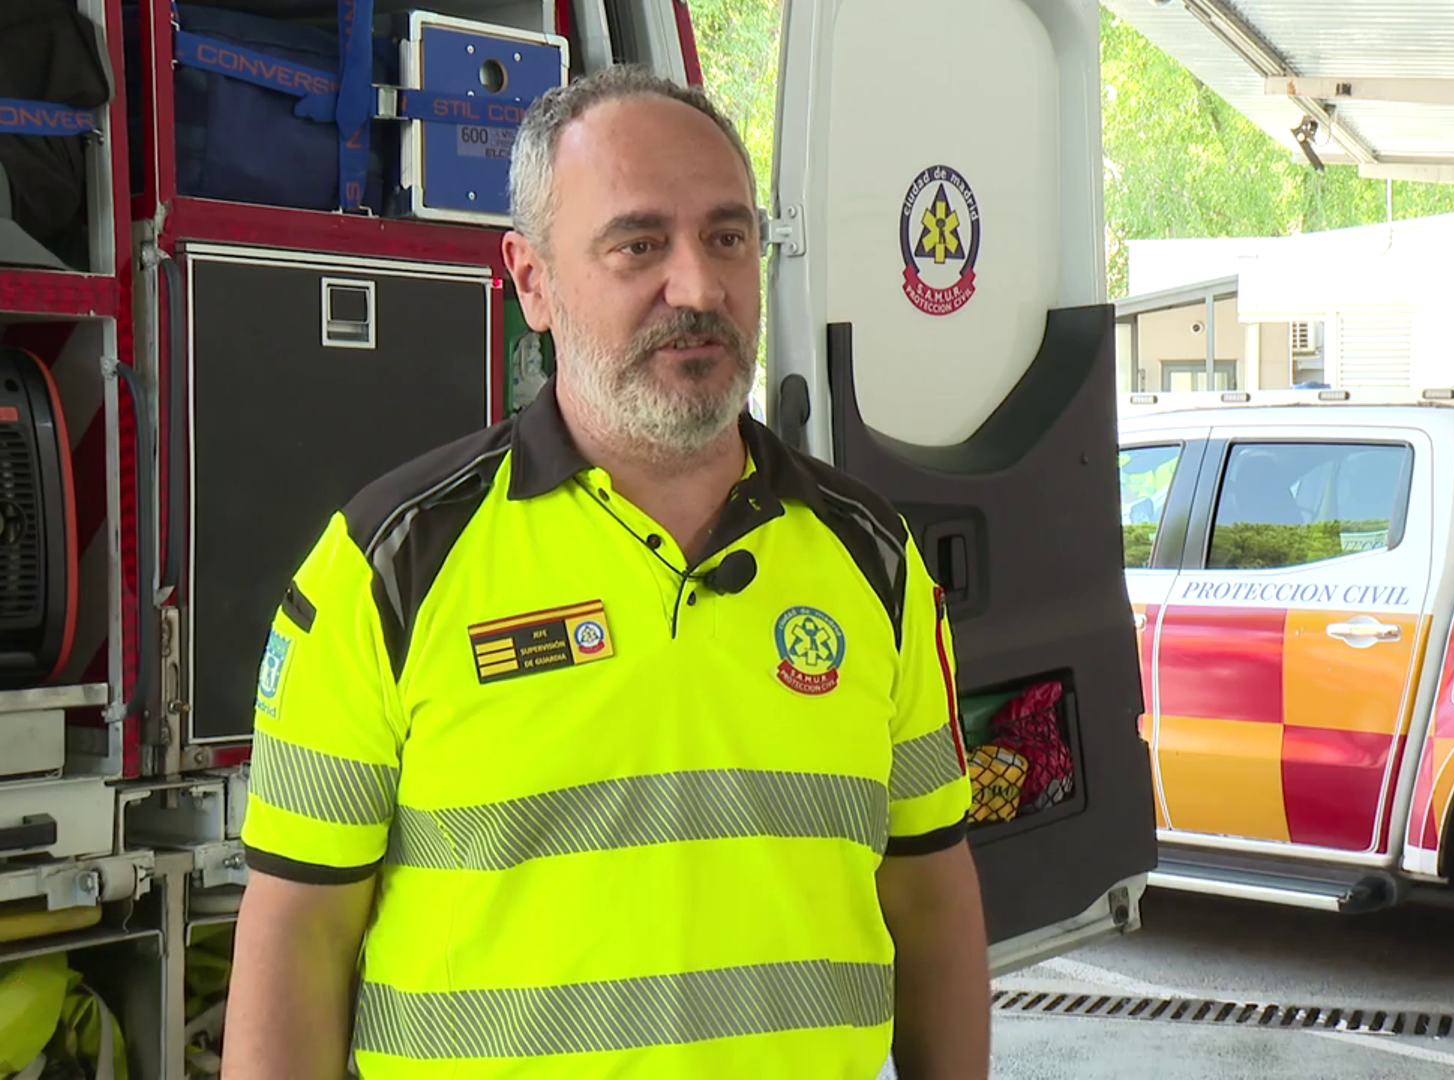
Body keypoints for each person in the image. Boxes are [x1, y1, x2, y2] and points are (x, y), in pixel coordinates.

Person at [220, 64, 991, 1079]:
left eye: (727, 237)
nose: (699, 287)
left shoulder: (872, 561)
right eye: (639, 244)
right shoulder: (391, 565)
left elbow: (932, 899)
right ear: (532, 281)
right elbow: (296, 940)